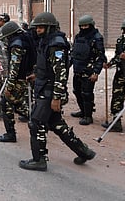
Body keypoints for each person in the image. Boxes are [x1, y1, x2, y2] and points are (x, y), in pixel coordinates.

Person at [19, 12, 96, 171]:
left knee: (36, 123)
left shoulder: (56, 44)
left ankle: (39, 160)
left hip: (49, 92)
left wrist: (56, 97)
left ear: (49, 28)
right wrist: (37, 75)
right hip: (45, 87)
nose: (37, 30)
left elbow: (61, 73)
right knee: (56, 124)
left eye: (41, 27)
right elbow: (48, 67)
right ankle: (83, 151)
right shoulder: (46, 41)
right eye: (37, 27)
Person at [0, 21, 36, 143]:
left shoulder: (16, 45)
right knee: (15, 104)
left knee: (6, 103)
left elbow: (14, 67)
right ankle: (38, 119)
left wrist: (9, 86)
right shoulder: (24, 39)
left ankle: (11, 134)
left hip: (18, 80)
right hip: (25, 77)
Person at [70, 15, 107, 125]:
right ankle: (83, 111)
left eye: (86, 25)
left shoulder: (96, 38)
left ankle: (88, 116)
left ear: (91, 25)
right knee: (76, 91)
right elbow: (74, 53)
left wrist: (96, 72)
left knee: (87, 93)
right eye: (82, 26)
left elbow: (101, 57)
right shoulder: (78, 37)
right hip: (78, 69)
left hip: (89, 71)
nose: (84, 28)